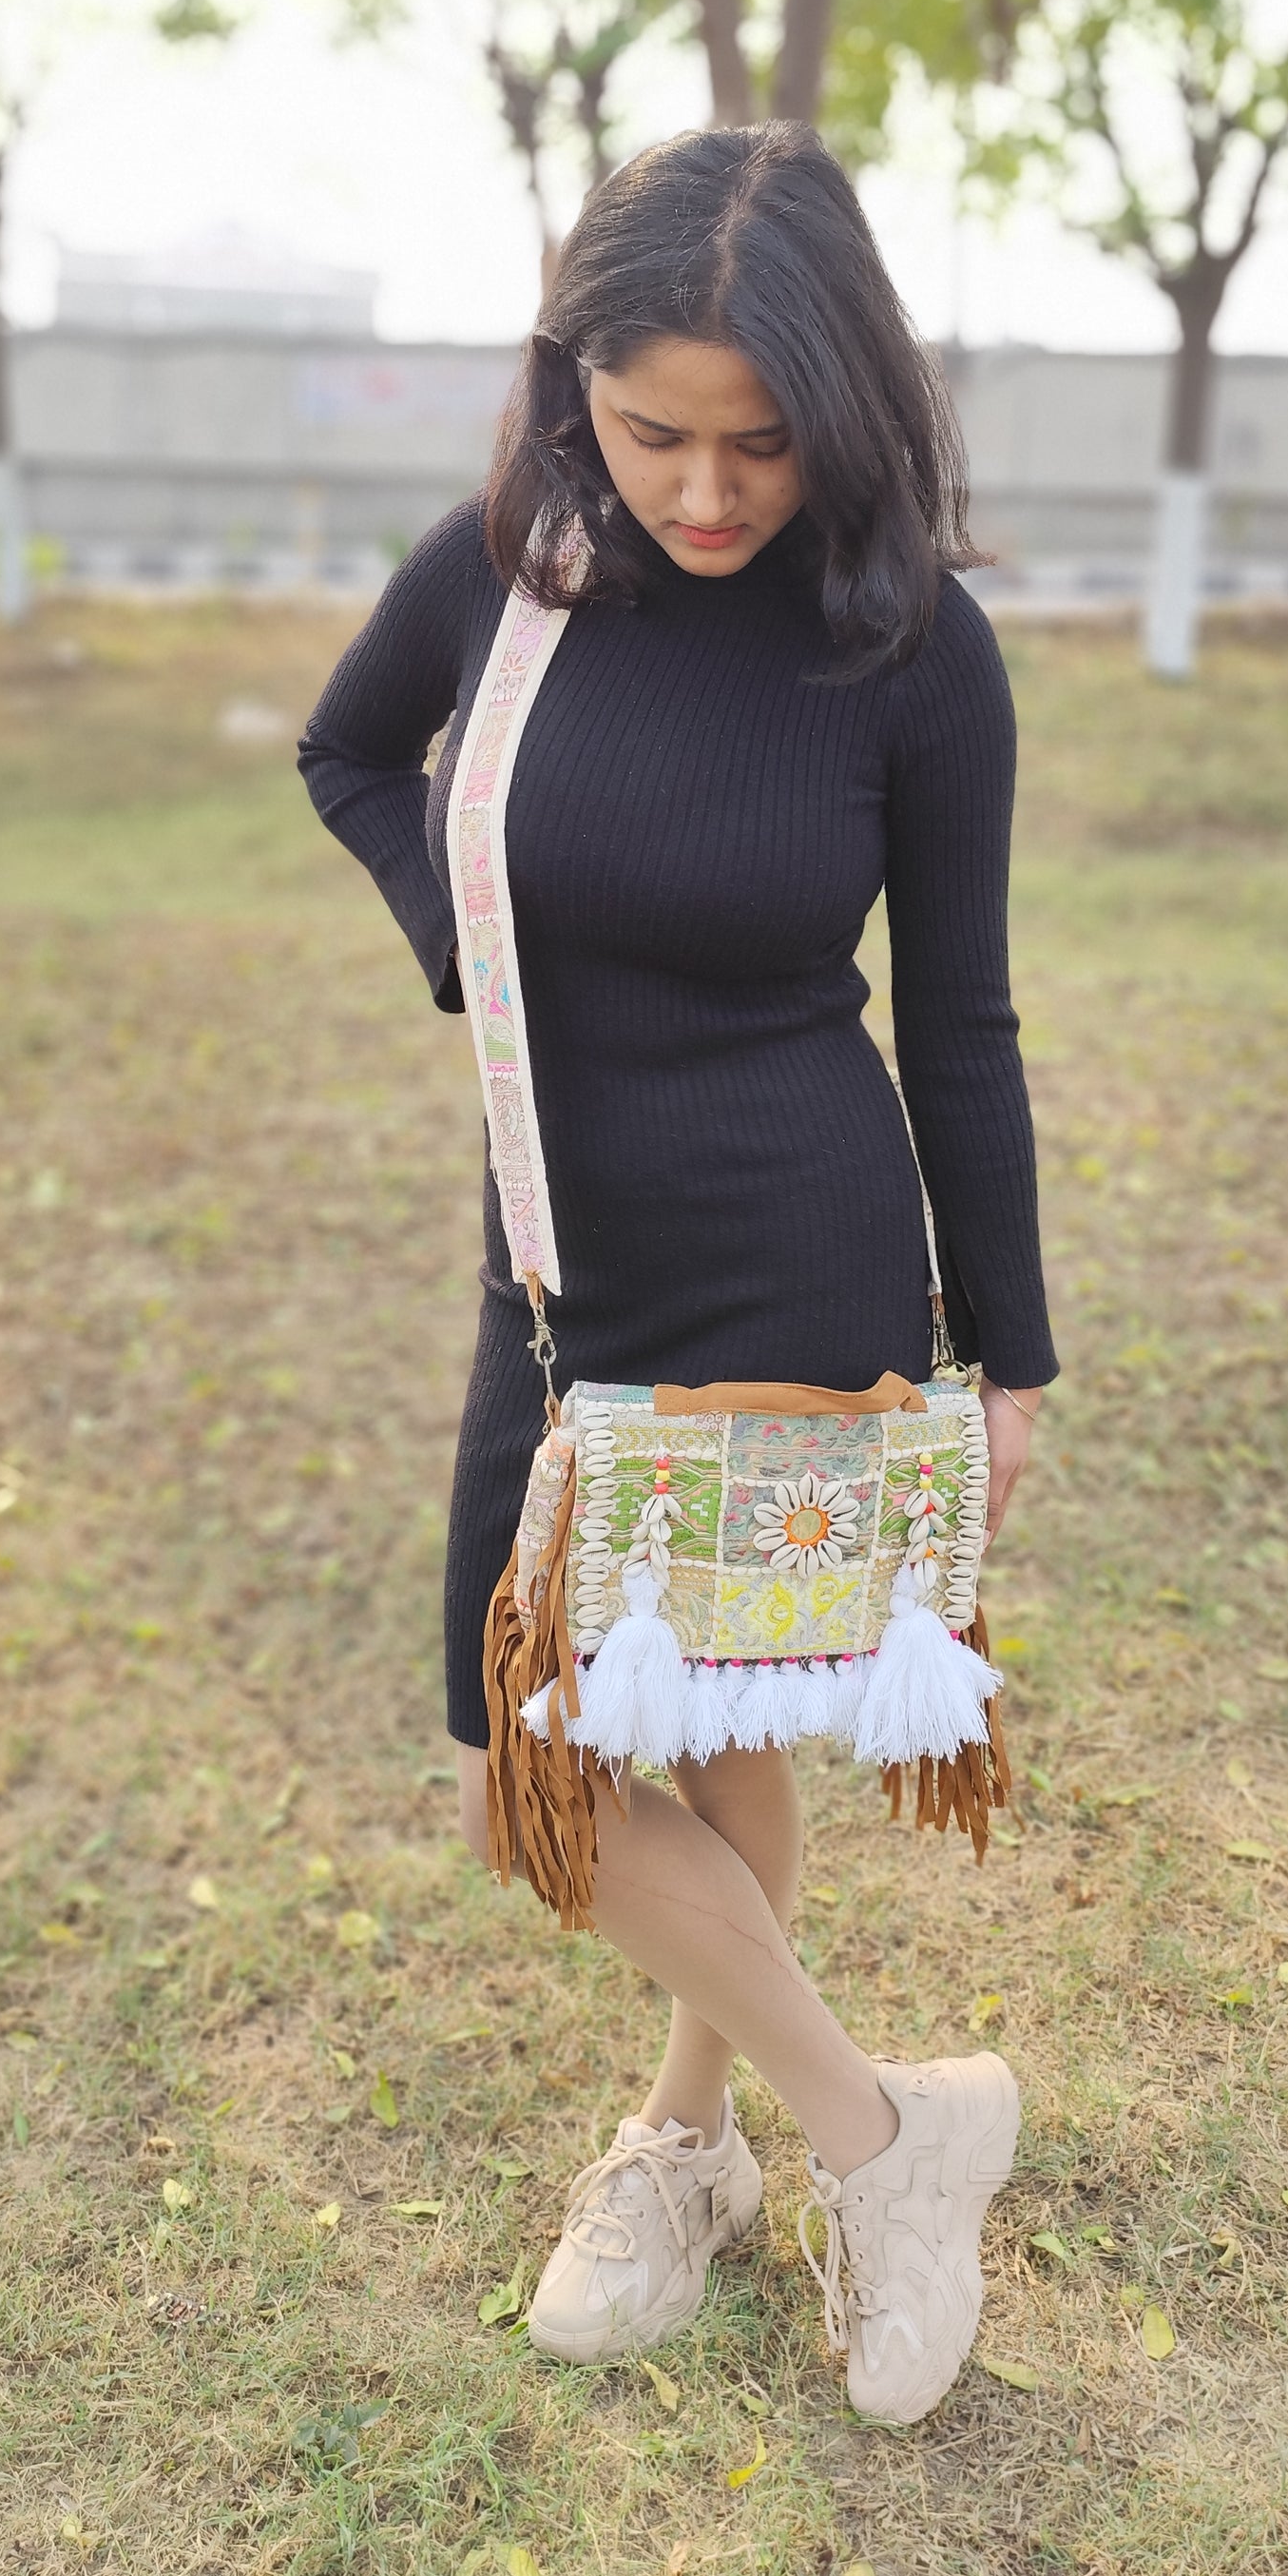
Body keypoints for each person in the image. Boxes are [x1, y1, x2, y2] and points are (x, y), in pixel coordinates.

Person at [298, 121, 1057, 2426]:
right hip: (555, 1266)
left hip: (809, 1257)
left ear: (851, 404)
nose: (706, 491)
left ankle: (690, 2140)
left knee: (710, 1734)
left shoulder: (911, 643)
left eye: (761, 439)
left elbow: (962, 1019)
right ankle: (885, 2127)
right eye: (653, 434)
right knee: (515, 1767)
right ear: (571, 389)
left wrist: (1004, 1358)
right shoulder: (504, 583)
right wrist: (477, 953)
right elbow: (348, 753)